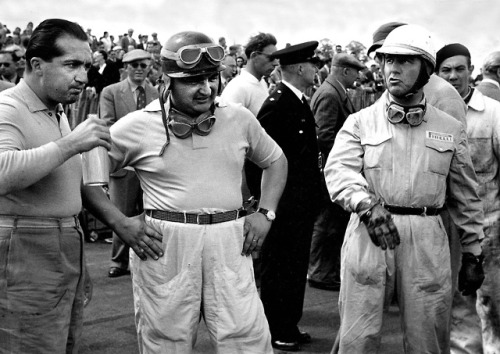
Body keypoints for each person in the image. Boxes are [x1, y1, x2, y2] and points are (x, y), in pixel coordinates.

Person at [83, 30, 287, 353]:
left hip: (229, 242)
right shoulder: (138, 125)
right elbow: (88, 177)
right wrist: (121, 225)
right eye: (193, 80)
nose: (206, 88)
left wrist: (266, 213)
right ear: (167, 82)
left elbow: (276, 160)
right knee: (166, 344)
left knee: (248, 342)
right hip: (167, 247)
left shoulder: (238, 119)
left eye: (211, 78)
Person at [325, 24, 485, 353]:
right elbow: (338, 170)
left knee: (428, 337)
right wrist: (366, 206)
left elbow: (466, 195)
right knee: (358, 337)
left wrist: (473, 254)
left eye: (405, 62)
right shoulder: (360, 122)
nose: (393, 69)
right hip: (370, 231)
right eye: (387, 61)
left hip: (427, 238)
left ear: (426, 70)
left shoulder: (450, 128)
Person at [0, 18, 112, 353]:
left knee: (62, 343)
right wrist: (71, 145)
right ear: (37, 65)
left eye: (87, 66)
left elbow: (66, 187)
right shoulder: (8, 106)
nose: (83, 76)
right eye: (72, 65)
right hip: (25, 246)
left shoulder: (56, 110)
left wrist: (77, 265)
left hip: (61, 244)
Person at [247, 41, 323, 351]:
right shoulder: (278, 104)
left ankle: (289, 323)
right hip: (283, 206)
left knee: (294, 266)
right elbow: (258, 161)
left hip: (299, 204)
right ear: (302, 68)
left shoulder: (299, 101)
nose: (317, 70)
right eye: (313, 65)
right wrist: (267, 205)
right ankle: (276, 327)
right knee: (279, 267)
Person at [436, 43, 500, 353]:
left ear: (472, 71)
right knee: (449, 304)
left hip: (489, 227)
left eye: (460, 69)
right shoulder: (428, 116)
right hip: (442, 230)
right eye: (446, 70)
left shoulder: (492, 113)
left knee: (490, 305)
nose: (453, 76)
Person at [308, 53, 364, 292]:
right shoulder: (331, 95)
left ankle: (324, 270)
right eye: (355, 71)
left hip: (330, 169)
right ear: (344, 71)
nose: (358, 75)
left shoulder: (333, 91)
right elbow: (324, 137)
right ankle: (320, 271)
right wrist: (340, 167)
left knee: (331, 223)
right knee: (327, 223)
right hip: (329, 171)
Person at [99, 49, 158, 278]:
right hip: (123, 164)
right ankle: (119, 261)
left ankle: (148, 259)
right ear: (126, 68)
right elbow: (108, 124)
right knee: (121, 214)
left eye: (144, 65)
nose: (140, 69)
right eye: (134, 65)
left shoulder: (157, 92)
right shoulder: (111, 92)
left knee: (151, 214)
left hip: (149, 165)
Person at [367, 21, 467, 126]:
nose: (388, 64)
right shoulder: (389, 95)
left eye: (399, 56)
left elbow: (455, 138)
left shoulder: (445, 96)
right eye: (380, 56)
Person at [221, 32, 278, 116]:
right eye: (271, 58)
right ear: (254, 56)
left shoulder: (261, 82)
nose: (276, 63)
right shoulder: (238, 88)